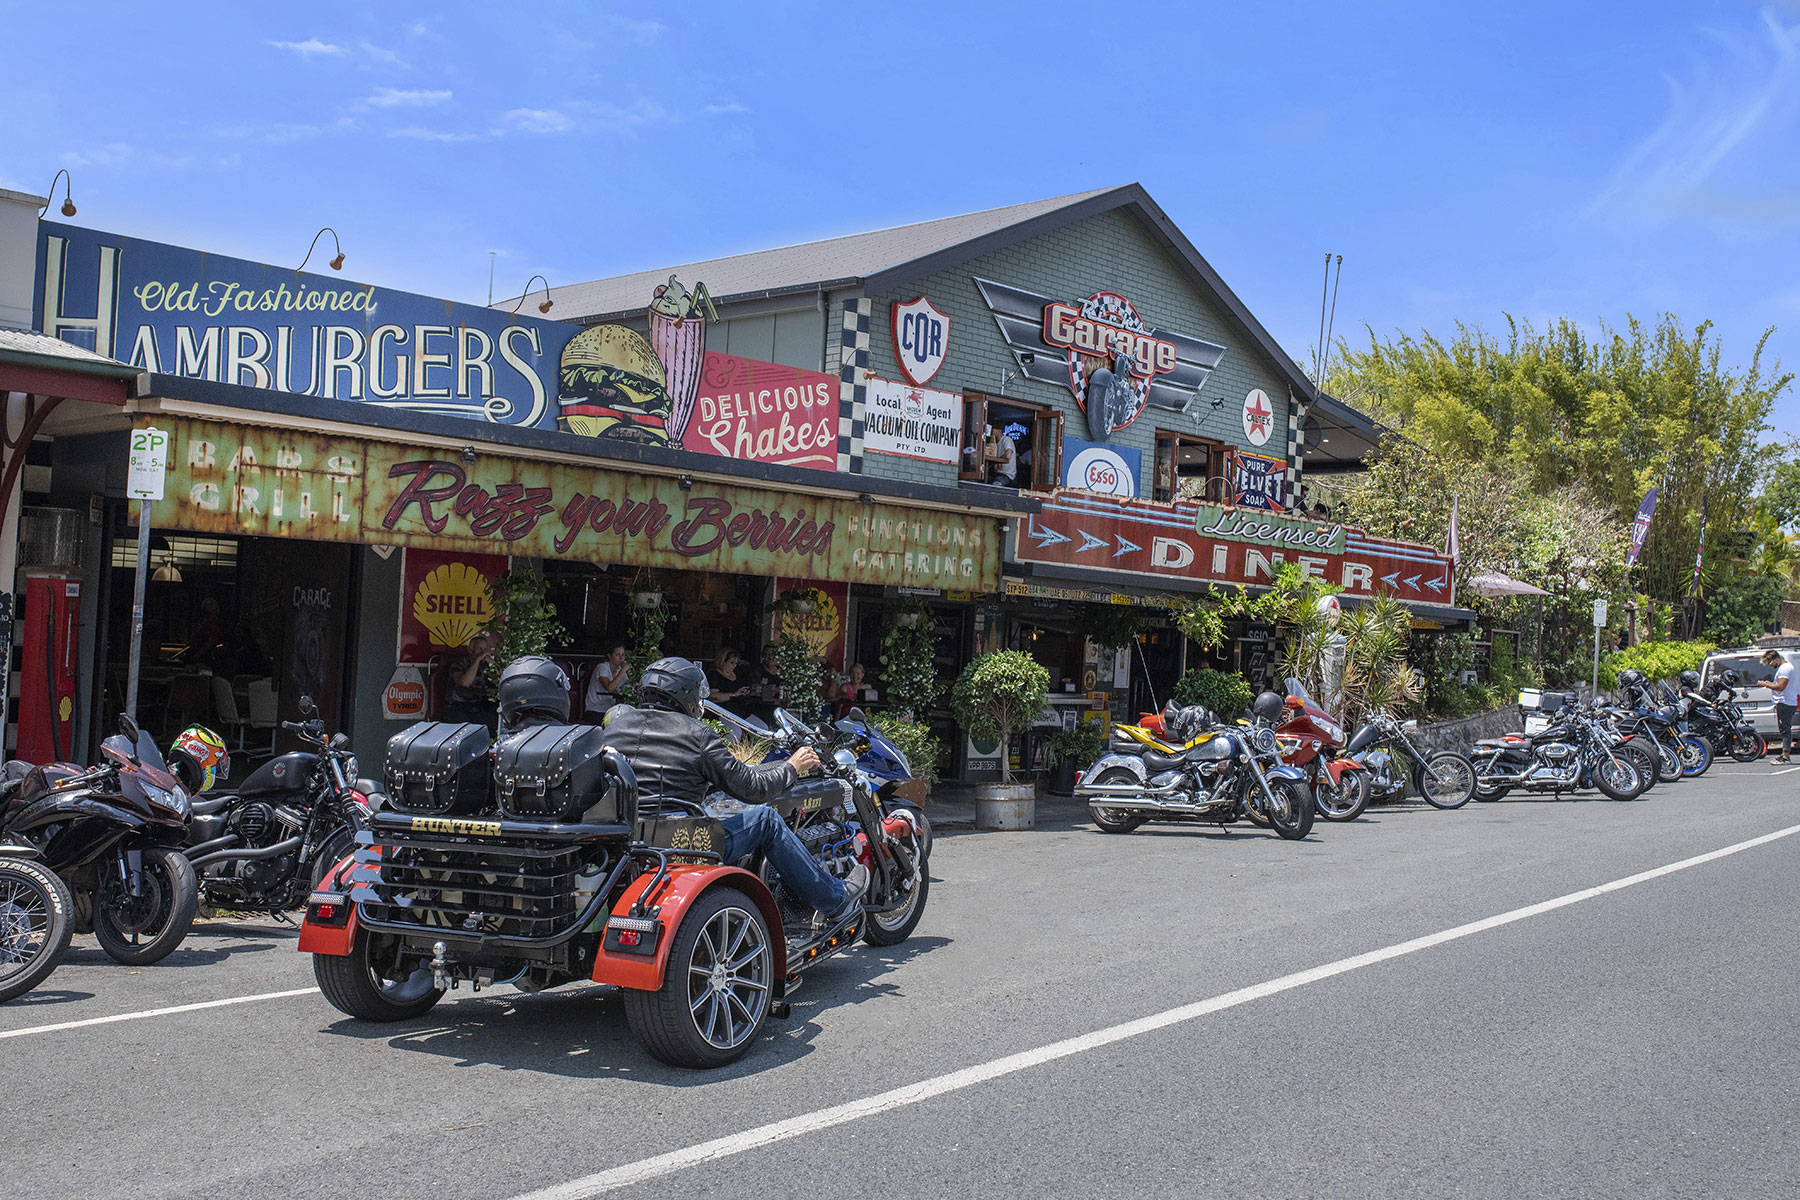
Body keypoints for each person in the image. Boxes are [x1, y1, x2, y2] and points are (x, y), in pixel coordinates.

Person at [601, 657, 866, 926]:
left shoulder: (615, 728)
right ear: (687, 696)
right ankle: (833, 898)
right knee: (766, 819)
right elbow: (754, 789)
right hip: (683, 844)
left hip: (626, 843)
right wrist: (792, 767)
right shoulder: (697, 734)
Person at [444, 630, 500, 725]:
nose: (483, 653)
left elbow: (501, 680)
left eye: (485, 649)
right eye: (480, 649)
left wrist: (493, 664)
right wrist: (477, 660)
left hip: (480, 707)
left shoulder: (487, 665)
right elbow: (464, 683)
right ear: (470, 650)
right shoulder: (459, 664)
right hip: (458, 706)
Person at [1756, 649, 1795, 763]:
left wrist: (1765, 685)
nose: (1771, 665)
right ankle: (1785, 753)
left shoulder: (1785, 669)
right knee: (1784, 728)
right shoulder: (1785, 668)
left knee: (1785, 729)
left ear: (1776, 659)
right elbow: (1780, 686)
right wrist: (1770, 684)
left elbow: (1781, 687)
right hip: (1785, 701)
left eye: (1771, 662)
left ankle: (1785, 755)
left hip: (1785, 702)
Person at [583, 643, 630, 721]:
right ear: (609, 656)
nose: (621, 658)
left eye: (623, 655)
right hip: (595, 711)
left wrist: (629, 674)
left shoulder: (620, 671)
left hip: (611, 711)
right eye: (617, 655)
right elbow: (610, 688)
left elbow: (630, 687)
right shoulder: (602, 667)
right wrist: (622, 671)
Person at [706, 648, 756, 718]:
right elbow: (712, 696)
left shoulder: (737, 674)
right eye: (731, 663)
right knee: (736, 729)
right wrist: (734, 695)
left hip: (740, 711)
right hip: (723, 712)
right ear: (723, 661)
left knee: (762, 726)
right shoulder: (714, 675)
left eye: (736, 663)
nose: (734, 666)